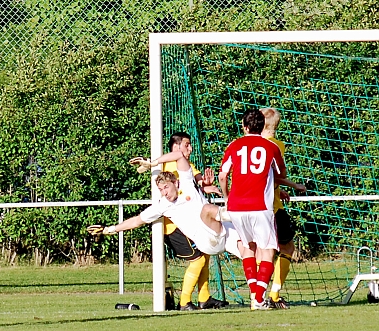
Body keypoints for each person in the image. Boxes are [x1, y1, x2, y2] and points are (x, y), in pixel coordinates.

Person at [92, 152, 241, 310]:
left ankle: (262, 298)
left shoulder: (187, 185)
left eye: (166, 187)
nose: (164, 193)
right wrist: (109, 229)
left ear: (176, 184)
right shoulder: (163, 205)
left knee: (256, 251)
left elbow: (180, 156)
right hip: (207, 242)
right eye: (161, 189)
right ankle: (232, 211)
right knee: (207, 212)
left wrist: (152, 163)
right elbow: (137, 220)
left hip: (223, 230)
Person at [141, 132, 228, 311]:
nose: (190, 149)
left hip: (190, 223)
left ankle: (204, 298)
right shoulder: (164, 165)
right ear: (176, 147)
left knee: (205, 255)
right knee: (197, 260)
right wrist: (150, 163)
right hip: (174, 226)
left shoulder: (186, 164)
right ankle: (184, 302)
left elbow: (198, 180)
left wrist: (206, 184)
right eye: (187, 145)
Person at [218, 108, 286, 311]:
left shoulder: (234, 145)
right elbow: (279, 173)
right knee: (268, 250)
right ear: (262, 126)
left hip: (237, 206)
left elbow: (222, 175)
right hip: (261, 206)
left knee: (247, 248)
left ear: (244, 126)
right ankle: (258, 298)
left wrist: (226, 196)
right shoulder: (271, 147)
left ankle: (255, 297)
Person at [260, 107, 307, 309]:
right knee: (286, 248)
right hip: (272, 206)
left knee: (258, 251)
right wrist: (293, 185)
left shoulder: (249, 143)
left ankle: (257, 296)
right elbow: (274, 176)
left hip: (253, 204)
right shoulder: (276, 145)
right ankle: (274, 294)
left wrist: (279, 190)